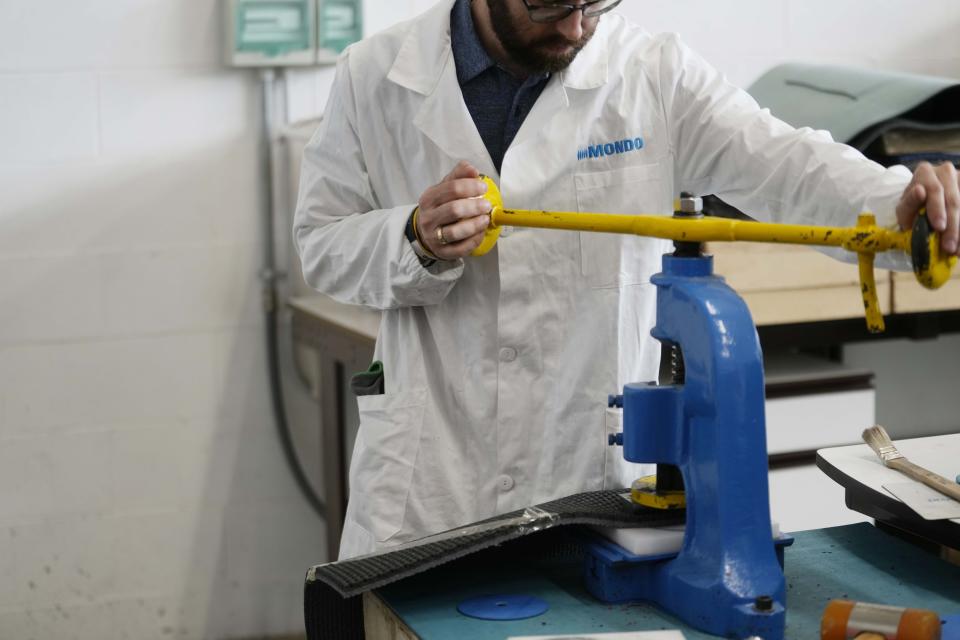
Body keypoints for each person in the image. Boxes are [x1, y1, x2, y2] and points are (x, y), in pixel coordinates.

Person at [294, 0, 960, 560]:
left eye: (596, 1)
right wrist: (414, 236)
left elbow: (788, 164)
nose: (577, 25)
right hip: (433, 478)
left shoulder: (652, 73)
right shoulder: (377, 75)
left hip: (590, 472)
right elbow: (320, 243)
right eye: (551, 2)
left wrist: (897, 205)